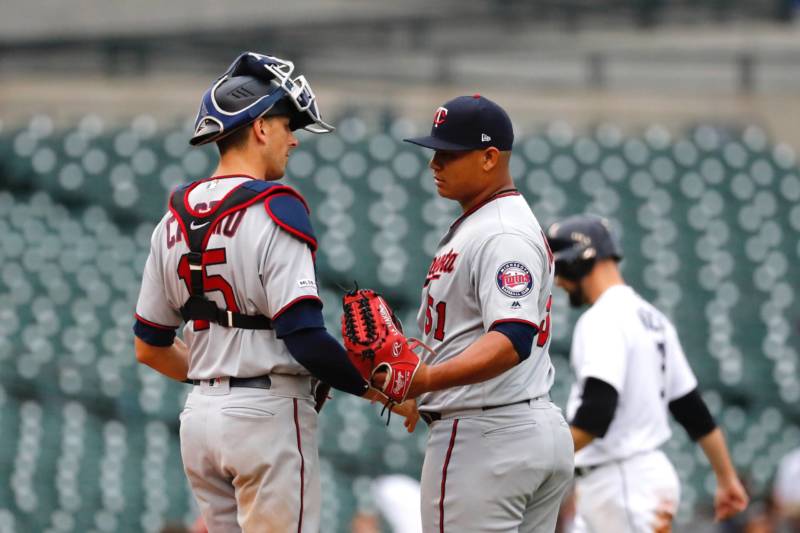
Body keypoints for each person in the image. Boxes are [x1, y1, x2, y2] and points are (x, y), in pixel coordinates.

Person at [133, 51, 379, 533]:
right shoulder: (277, 209)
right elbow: (305, 338)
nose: (294, 140)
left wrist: (218, 381)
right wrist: (381, 391)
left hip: (200, 420)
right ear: (261, 126)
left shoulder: (171, 219)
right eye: (289, 125)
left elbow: (149, 347)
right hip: (266, 418)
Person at [395, 94, 574, 532]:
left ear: (490, 157)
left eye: (450, 153)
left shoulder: (500, 232)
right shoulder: (492, 222)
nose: (435, 163)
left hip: (485, 436)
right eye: (434, 152)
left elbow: (512, 339)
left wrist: (431, 380)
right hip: (521, 426)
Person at [545, 214, 749, 532]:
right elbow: (692, 410)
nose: (557, 281)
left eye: (558, 269)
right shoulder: (653, 318)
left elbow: (596, 414)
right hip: (635, 479)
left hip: (622, 482)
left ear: (577, 262)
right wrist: (727, 478)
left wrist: (538, 459)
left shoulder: (602, 318)